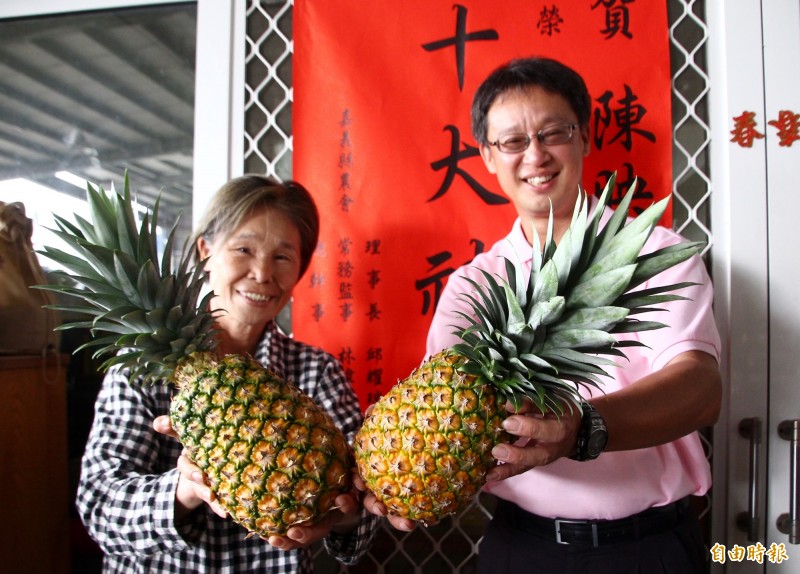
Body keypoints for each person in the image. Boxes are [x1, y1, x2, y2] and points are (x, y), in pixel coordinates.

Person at [364, 58, 722, 573]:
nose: (535, 154)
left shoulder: (656, 254)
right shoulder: (471, 285)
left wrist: (584, 427)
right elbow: (444, 418)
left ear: (585, 137)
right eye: (512, 141)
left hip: (650, 546)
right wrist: (392, 481)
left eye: (553, 132)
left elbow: (700, 387)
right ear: (487, 156)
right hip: (521, 546)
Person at [76, 175, 378, 573]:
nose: (262, 273)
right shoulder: (140, 374)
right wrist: (184, 490)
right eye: (244, 249)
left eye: (283, 257)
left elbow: (365, 502)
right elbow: (99, 505)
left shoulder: (316, 372)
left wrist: (347, 514)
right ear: (205, 250)